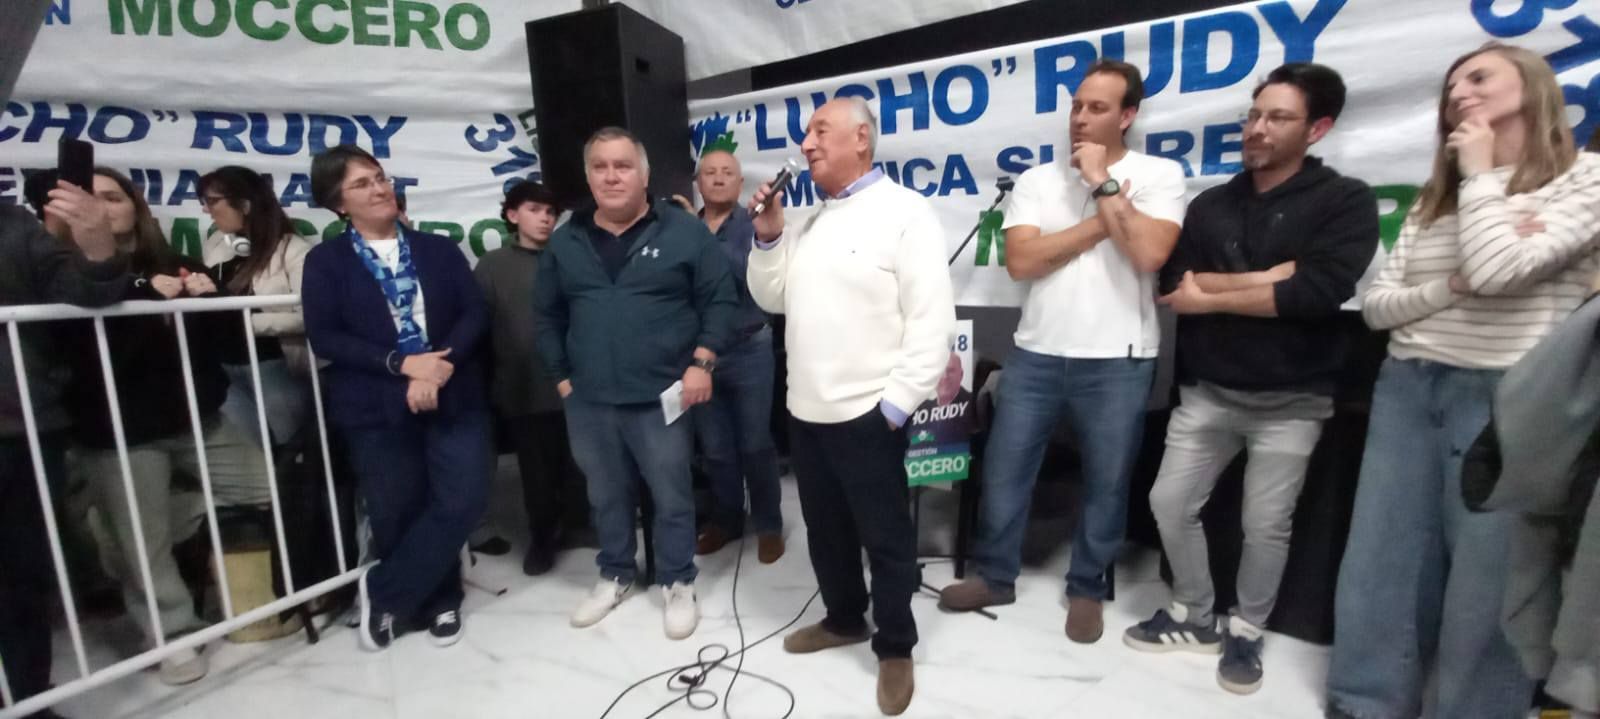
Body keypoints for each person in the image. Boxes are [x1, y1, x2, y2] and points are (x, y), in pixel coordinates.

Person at [1326, 43, 1600, 719]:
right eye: (1451, 86)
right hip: (1408, 384)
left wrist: (1482, 178)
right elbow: (1379, 307)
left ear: (1532, 87)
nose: (1459, 94)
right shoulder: (1433, 200)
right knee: (1383, 558)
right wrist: (1452, 284)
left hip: (1510, 396)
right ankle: (1366, 701)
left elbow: (1499, 270)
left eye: (1478, 78)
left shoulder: (1585, 179)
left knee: (1493, 574)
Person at [1119, 63, 1379, 695]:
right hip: (1207, 393)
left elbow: (1317, 293)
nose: (1258, 128)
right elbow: (1174, 285)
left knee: (1265, 525)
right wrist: (1270, 277)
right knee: (1168, 503)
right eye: (1254, 115)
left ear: (1317, 128)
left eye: (1278, 117)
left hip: (1294, 402)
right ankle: (1195, 613)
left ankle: (1248, 629)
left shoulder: (1345, 201)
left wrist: (1213, 294)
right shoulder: (1211, 204)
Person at [937, 60, 1189, 645]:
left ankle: (1086, 587)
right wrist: (1105, 224)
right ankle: (994, 576)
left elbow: (1150, 254)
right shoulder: (1037, 181)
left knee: (1107, 481)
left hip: (1120, 358)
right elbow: (1022, 261)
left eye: (1097, 107)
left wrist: (1101, 182)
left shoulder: (1160, 175)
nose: (1079, 117)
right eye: (1076, 105)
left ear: (1127, 116)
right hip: (1036, 353)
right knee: (1005, 471)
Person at [747, 97, 956, 716]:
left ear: (861, 138)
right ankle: (843, 618)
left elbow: (931, 324)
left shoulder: (906, 213)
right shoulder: (811, 220)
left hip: (869, 415)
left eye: (820, 131)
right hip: (806, 413)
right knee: (826, 532)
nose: (806, 144)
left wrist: (893, 409)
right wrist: (769, 235)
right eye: (806, 133)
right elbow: (773, 297)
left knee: (885, 539)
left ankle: (895, 646)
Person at [58, 168, 270, 686]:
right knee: (142, 543)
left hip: (196, 419)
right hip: (117, 432)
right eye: (92, 199)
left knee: (264, 486)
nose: (103, 208)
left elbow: (228, 346)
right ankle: (173, 635)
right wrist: (143, 297)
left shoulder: (178, 264)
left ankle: (132, 525)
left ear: (135, 207)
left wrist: (210, 300)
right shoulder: (64, 273)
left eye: (114, 197)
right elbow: (81, 358)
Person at [534, 126, 736, 640]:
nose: (611, 176)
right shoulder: (565, 241)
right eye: (600, 167)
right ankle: (615, 573)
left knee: (672, 493)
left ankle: (677, 579)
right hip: (589, 400)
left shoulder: (683, 232)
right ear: (588, 177)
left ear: (644, 176)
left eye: (622, 166)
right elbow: (547, 315)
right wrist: (561, 379)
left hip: (660, 396)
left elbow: (719, 299)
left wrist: (703, 362)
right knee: (605, 494)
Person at [302, 144, 491, 652]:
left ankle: (384, 590)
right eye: (361, 183)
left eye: (380, 177)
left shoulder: (438, 250)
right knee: (398, 509)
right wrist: (402, 365)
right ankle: (439, 600)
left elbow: (473, 312)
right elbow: (326, 336)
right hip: (375, 404)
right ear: (338, 203)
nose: (379, 188)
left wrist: (439, 366)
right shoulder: (325, 262)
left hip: (452, 392)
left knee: (464, 497)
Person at [0, 179, 127, 718]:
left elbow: (85, 291)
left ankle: (29, 697)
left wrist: (97, 245)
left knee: (22, 573)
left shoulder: (13, 224)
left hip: (22, 427)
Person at [474, 180, 587, 576]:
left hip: (576, 383)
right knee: (536, 472)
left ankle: (580, 526)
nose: (545, 218)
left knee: (580, 462)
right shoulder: (492, 267)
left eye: (550, 212)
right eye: (535, 210)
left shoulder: (570, 259)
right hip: (523, 386)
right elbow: (479, 328)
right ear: (512, 215)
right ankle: (541, 539)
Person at [685, 137, 786, 564]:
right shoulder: (682, 227)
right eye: (710, 172)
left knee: (755, 443)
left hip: (749, 347)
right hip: (700, 355)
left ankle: (769, 525)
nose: (718, 179)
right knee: (715, 448)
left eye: (727, 172)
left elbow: (746, 275)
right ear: (698, 182)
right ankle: (727, 521)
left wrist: (696, 238)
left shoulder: (754, 222)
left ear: (740, 182)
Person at [198, 165, 315, 448]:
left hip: (274, 365)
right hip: (224, 366)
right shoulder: (216, 244)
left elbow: (310, 315)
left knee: (291, 448)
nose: (206, 210)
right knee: (250, 450)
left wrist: (246, 324)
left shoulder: (294, 250)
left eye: (212, 201)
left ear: (245, 205)